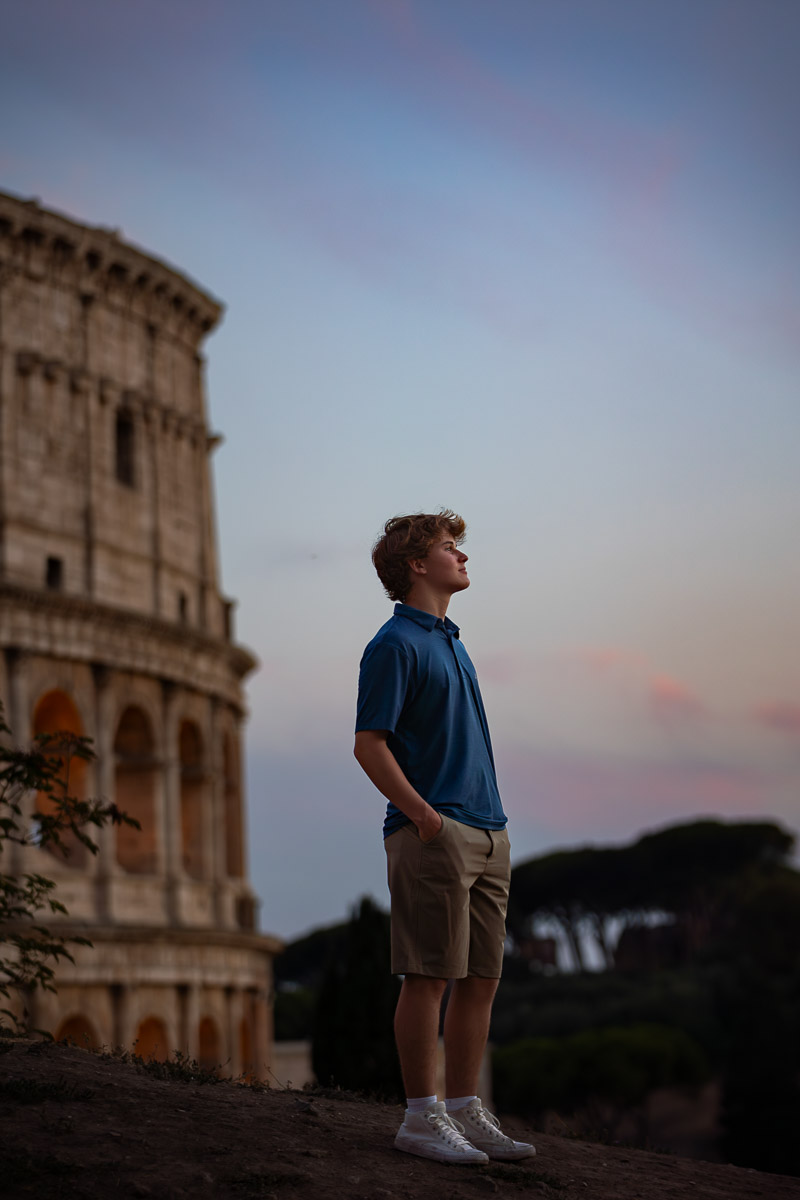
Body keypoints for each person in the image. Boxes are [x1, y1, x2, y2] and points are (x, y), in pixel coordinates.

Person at [354, 510, 535, 1165]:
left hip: (488, 831)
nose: (462, 556)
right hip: (433, 834)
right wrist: (424, 817)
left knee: (479, 978)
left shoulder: (453, 642)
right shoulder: (393, 644)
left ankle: (463, 1108)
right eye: (448, 548)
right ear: (416, 566)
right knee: (428, 976)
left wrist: (489, 825)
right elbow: (368, 745)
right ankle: (420, 1118)